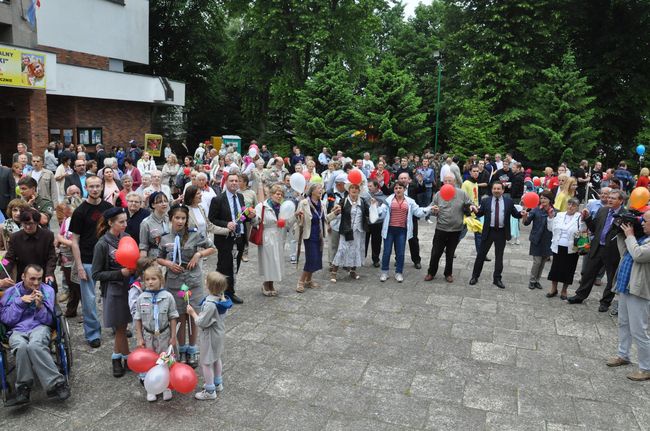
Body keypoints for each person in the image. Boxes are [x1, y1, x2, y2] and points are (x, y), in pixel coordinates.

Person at [0, 264, 71, 406]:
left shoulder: (48, 291)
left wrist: (40, 307)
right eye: (32, 279)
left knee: (35, 345)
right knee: (20, 346)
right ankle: (23, 389)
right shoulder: (10, 293)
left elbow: (50, 321)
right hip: (17, 329)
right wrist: (20, 303)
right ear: (23, 277)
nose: (36, 283)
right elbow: (6, 319)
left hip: (39, 327)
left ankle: (56, 384)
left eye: (39, 279)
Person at [156, 204, 215, 366]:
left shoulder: (194, 235)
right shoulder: (165, 237)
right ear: (171, 219)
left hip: (192, 282)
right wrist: (168, 263)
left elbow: (212, 248)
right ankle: (181, 349)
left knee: (193, 315)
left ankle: (192, 349)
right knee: (179, 316)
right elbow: (158, 257)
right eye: (177, 218)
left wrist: (199, 254)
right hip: (174, 283)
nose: (180, 221)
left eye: (183, 218)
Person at [606, 209, 650, 381]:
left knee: (639, 330)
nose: (643, 223)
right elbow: (626, 252)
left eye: (646, 221)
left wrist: (630, 235)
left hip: (640, 291)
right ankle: (623, 355)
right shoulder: (641, 237)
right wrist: (621, 233)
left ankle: (646, 368)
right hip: (626, 287)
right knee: (624, 323)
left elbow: (638, 255)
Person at [568, 189, 629, 312]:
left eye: (613, 198)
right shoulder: (603, 210)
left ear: (621, 201)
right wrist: (588, 218)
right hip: (597, 247)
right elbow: (595, 228)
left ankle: (605, 302)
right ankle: (580, 296)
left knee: (611, 279)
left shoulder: (625, 215)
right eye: (609, 197)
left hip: (613, 252)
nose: (609, 199)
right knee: (588, 273)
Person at [70, 175, 112, 348]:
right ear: (86, 188)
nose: (95, 189)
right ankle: (93, 333)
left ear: (102, 187)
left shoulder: (108, 208)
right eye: (91, 186)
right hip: (87, 260)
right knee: (88, 300)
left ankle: (117, 325)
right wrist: (79, 265)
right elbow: (74, 241)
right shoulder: (80, 211)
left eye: (97, 186)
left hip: (108, 259)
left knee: (112, 296)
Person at [91, 207, 135, 377]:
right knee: (120, 327)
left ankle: (121, 358)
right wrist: (119, 273)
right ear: (110, 223)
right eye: (121, 222)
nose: (125, 224)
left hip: (129, 288)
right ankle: (122, 358)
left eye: (126, 221)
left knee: (123, 326)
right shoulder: (102, 244)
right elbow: (96, 273)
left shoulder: (127, 238)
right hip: (113, 290)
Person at [134, 258, 179, 400]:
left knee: (165, 359)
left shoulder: (168, 297)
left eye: (153, 279)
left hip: (165, 334)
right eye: (147, 279)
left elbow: (173, 317)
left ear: (161, 280)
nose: (150, 282)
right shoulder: (141, 298)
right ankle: (151, 388)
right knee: (149, 361)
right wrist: (139, 337)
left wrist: (173, 336)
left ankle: (166, 386)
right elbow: (138, 319)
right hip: (148, 336)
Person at [469, 182, 527, 289]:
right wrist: (475, 210)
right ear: (492, 190)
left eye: (499, 189)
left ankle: (497, 279)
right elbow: (480, 213)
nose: (496, 190)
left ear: (503, 190)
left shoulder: (508, 202)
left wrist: (521, 214)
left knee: (499, 257)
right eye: (494, 188)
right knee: (481, 255)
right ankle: (475, 276)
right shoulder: (485, 200)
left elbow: (515, 214)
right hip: (488, 231)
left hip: (501, 232)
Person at [208, 174, 254, 305]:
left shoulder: (240, 197)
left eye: (236, 181)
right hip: (225, 238)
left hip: (239, 237)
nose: (234, 183)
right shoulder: (218, 199)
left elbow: (241, 217)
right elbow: (212, 220)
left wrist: (249, 216)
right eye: (231, 181)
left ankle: (229, 291)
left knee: (235, 266)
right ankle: (219, 291)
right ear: (226, 183)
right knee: (224, 266)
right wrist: (226, 224)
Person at [187, 271, 232, 399]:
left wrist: (192, 312)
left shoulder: (210, 305)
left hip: (210, 336)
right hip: (219, 333)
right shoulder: (222, 299)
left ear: (208, 285)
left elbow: (201, 323)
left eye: (206, 280)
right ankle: (218, 383)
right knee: (216, 358)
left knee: (206, 362)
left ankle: (210, 390)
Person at [375, 182, 431, 282]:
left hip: (402, 230)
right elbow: (382, 213)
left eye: (400, 188)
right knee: (386, 252)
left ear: (404, 189)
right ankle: (384, 272)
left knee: (400, 253)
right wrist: (374, 208)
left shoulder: (410, 201)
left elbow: (418, 212)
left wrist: (429, 209)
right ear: (394, 190)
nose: (398, 190)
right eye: (396, 188)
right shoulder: (388, 201)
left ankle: (399, 272)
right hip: (389, 230)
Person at [425, 174, 475, 283]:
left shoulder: (462, 193)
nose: (447, 183)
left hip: (456, 229)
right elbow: (431, 206)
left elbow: (470, 203)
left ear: (454, 182)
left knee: (450, 253)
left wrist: (472, 207)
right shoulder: (439, 194)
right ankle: (431, 272)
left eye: (450, 181)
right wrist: (433, 210)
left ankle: (448, 273)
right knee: (436, 252)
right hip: (441, 228)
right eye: (445, 181)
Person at [5, 208, 57, 287]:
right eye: (25, 223)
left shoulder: (47, 235)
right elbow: (8, 259)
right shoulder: (15, 237)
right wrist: (2, 271)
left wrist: (49, 273)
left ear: (37, 222)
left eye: (31, 223)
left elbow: (52, 257)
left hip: (43, 276)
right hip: (24, 278)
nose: (28, 227)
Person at [329, 182, 369, 283]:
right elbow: (337, 209)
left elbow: (369, 214)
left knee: (356, 250)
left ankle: (352, 270)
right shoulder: (344, 201)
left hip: (358, 231)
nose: (354, 190)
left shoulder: (363, 202)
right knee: (342, 249)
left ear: (359, 190)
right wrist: (336, 209)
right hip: (346, 230)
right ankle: (334, 272)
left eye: (356, 188)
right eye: (352, 188)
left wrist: (373, 206)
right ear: (349, 190)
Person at [545, 198, 581, 299]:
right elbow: (550, 228)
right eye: (569, 204)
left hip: (572, 248)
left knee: (569, 269)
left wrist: (584, 219)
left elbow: (582, 230)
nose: (570, 207)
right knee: (555, 268)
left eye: (573, 205)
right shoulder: (560, 215)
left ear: (577, 207)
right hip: (558, 246)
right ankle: (553, 288)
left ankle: (564, 290)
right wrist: (551, 218)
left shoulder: (579, 217)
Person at [55, 202, 82, 318]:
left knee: (78, 284)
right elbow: (59, 235)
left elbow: (75, 242)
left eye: (70, 211)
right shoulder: (66, 220)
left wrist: (64, 241)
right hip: (66, 257)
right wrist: (60, 240)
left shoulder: (80, 221)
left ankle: (77, 310)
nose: (67, 213)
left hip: (77, 257)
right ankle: (71, 309)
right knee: (71, 284)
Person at [524, 191, 554, 290]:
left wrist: (551, 217)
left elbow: (555, 227)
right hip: (536, 239)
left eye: (545, 198)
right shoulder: (535, 210)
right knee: (537, 261)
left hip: (548, 240)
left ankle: (537, 280)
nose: (543, 200)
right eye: (541, 198)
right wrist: (524, 216)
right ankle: (532, 280)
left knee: (543, 262)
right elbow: (526, 223)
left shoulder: (554, 211)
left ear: (550, 199)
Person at [139, 192, 170, 258]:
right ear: (153, 205)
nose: (164, 204)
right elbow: (143, 247)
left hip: (170, 255)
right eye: (160, 202)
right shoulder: (146, 223)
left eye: (165, 201)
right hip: (155, 257)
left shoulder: (170, 218)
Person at [365, 180, 387, 268]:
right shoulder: (365, 195)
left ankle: (376, 259)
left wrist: (376, 206)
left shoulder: (383, 197)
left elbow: (383, 211)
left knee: (376, 242)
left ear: (376, 186)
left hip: (377, 223)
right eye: (368, 186)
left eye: (370, 186)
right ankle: (362, 257)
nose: (368, 188)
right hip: (366, 222)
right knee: (364, 241)